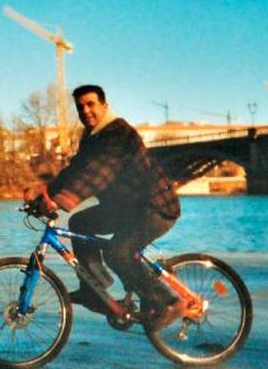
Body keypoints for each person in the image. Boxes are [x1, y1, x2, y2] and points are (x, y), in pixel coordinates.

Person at [25, 84, 183, 327]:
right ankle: (93, 289)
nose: (86, 111)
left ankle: (168, 301)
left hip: (154, 207)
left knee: (118, 252)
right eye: (80, 107)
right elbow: (77, 170)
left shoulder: (118, 133)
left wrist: (59, 201)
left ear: (104, 105)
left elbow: (100, 173)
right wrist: (45, 194)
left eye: (91, 104)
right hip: (128, 206)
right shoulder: (92, 136)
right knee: (80, 223)